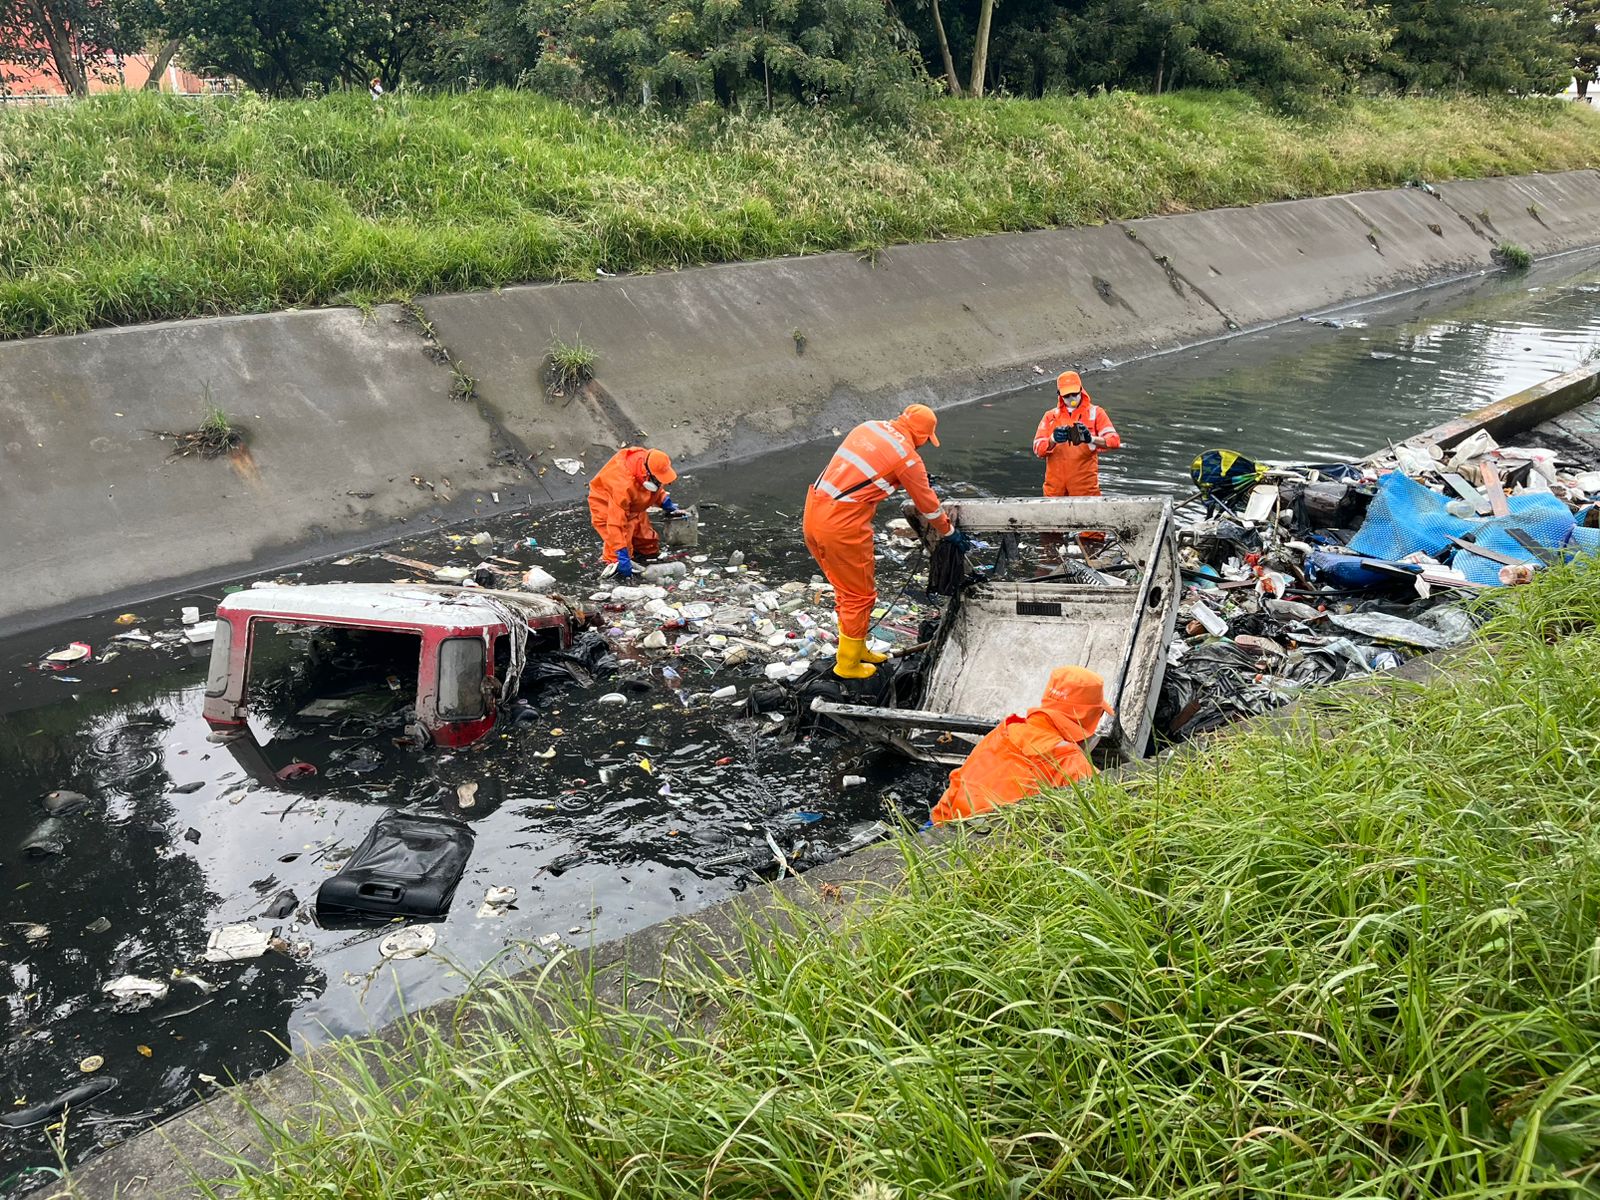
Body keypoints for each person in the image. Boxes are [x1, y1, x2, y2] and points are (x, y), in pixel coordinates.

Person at [804, 403, 971, 679]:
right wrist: (950, 532)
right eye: (925, 441)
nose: (923, 446)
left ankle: (856, 648)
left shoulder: (867, 426)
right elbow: (928, 506)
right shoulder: (907, 458)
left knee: (845, 590)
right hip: (842, 524)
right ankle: (847, 664)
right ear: (921, 435)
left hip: (814, 511)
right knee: (859, 596)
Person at [930, 666, 1112, 825]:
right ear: (1088, 718)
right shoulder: (1074, 764)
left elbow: (960, 779)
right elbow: (1106, 813)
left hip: (942, 823)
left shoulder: (1005, 730)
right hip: (985, 846)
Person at [587, 446, 682, 579]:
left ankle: (639, 563)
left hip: (635, 506)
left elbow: (654, 485)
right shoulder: (622, 485)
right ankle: (613, 571)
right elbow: (615, 524)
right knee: (618, 552)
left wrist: (664, 500)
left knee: (648, 543)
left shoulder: (648, 465)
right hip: (607, 506)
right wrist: (621, 554)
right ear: (648, 474)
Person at [1033, 370, 1121, 497]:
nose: (1072, 398)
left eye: (1075, 393)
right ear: (1060, 395)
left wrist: (1090, 439)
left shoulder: (1096, 413)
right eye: (1067, 395)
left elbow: (1114, 441)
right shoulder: (1050, 416)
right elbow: (1038, 449)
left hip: (1085, 489)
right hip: (1055, 491)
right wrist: (1052, 440)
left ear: (1081, 390)